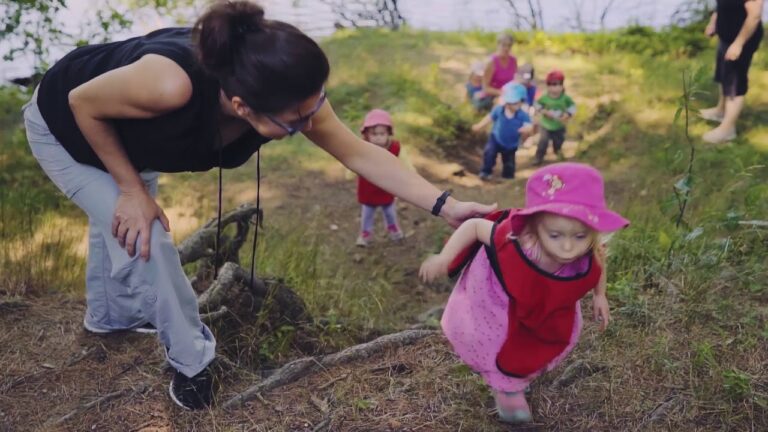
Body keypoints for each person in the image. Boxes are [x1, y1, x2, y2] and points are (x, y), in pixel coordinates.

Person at [21, 0, 496, 410]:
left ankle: (108, 320)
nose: (310, 123)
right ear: (243, 106)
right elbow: (84, 103)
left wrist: (446, 205)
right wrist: (129, 191)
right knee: (147, 238)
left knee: (123, 221)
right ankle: (193, 364)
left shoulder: (289, 90)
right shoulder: (169, 84)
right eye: (296, 120)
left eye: (313, 109)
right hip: (67, 127)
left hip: (132, 137)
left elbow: (357, 153)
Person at [419, 162, 629, 424]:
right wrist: (444, 257)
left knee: (541, 336)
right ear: (534, 226)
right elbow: (474, 226)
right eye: (555, 235)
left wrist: (600, 295)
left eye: (579, 236)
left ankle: (517, 375)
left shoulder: (587, 250)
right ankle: (507, 389)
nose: (567, 246)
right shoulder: (517, 241)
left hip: (546, 299)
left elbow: (598, 259)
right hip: (502, 294)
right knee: (499, 337)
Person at [700, 0, 763, 144]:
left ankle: (728, 129)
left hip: (742, 40)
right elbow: (722, 5)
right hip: (726, 37)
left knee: (735, 84)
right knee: (724, 76)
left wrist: (738, 44)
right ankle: (720, 111)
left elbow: (754, 16)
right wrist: (713, 23)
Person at [356, 109, 405, 247]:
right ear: (366, 134)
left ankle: (393, 229)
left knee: (390, 212)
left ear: (388, 134)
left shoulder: (394, 148)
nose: (378, 137)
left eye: (382, 134)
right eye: (374, 134)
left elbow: (404, 163)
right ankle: (365, 234)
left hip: (386, 187)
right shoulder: (362, 148)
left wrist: (408, 173)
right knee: (367, 215)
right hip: (368, 188)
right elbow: (353, 161)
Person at [472, 83, 533, 181]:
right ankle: (485, 172)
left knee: (509, 163)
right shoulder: (499, 110)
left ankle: (507, 178)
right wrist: (479, 126)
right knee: (489, 153)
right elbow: (489, 118)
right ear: (507, 102)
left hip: (511, 144)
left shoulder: (522, 115)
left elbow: (529, 126)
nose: (517, 105)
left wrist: (526, 130)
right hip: (496, 138)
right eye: (514, 103)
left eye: (519, 102)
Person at [533, 70, 575, 166]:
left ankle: (558, 154)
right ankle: (538, 157)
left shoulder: (565, 98)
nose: (555, 88)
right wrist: (544, 111)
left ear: (562, 86)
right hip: (546, 125)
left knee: (558, 142)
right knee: (543, 142)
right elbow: (536, 105)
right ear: (548, 86)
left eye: (557, 85)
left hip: (559, 125)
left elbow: (572, 107)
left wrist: (567, 114)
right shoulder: (544, 97)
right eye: (552, 85)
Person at [476, 33, 518, 109]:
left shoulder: (513, 60)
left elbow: (515, 80)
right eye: (504, 45)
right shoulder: (491, 62)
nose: (506, 48)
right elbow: (485, 88)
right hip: (491, 96)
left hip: (509, 95)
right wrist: (502, 93)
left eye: (509, 46)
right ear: (498, 45)